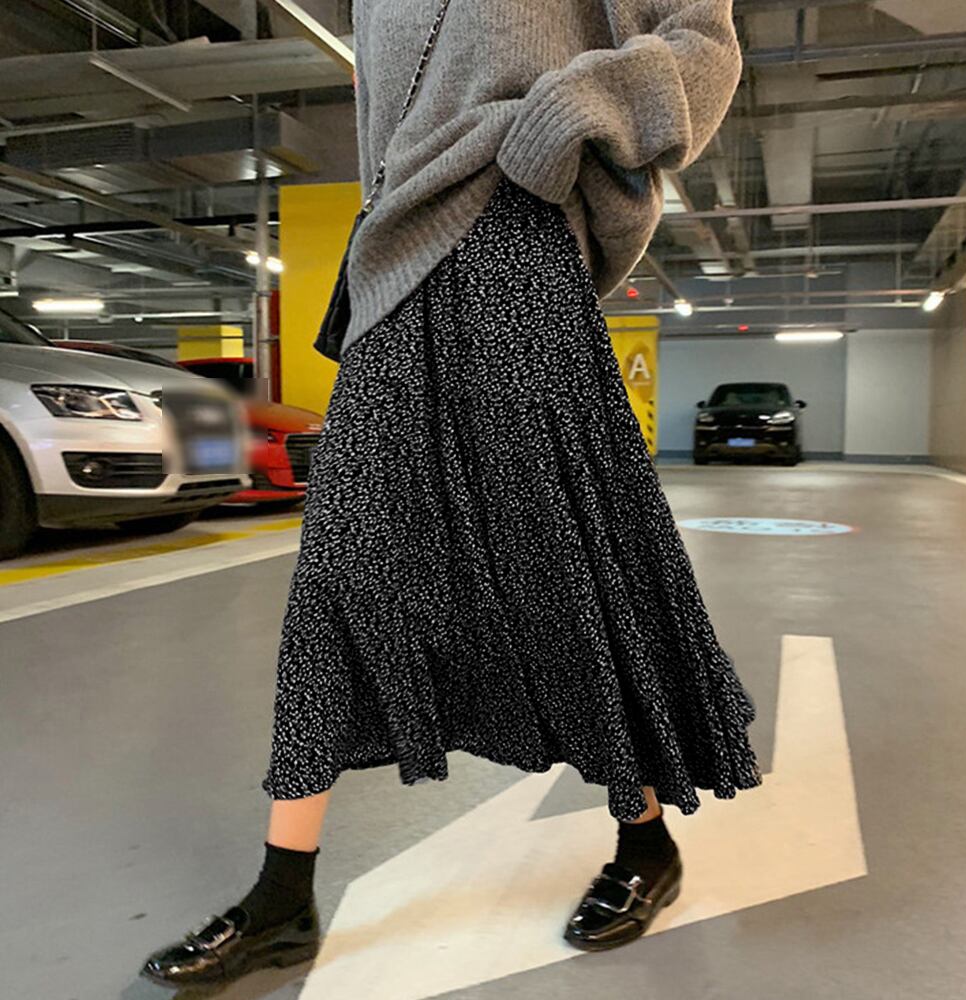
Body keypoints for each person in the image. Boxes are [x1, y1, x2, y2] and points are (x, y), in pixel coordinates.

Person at [141, 0, 762, 987]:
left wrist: (577, 105)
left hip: (514, 239)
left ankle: (645, 841)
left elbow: (702, 44)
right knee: (340, 579)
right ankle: (282, 895)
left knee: (557, 565)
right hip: (393, 265)